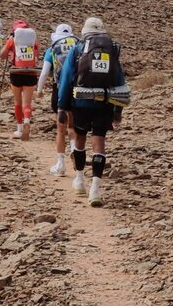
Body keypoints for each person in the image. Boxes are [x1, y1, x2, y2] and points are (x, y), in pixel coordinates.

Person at [57, 17, 126, 206]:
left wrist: (62, 106)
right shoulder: (111, 50)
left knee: (80, 139)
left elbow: (66, 78)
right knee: (99, 141)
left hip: (81, 102)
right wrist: (118, 109)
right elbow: (120, 80)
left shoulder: (78, 50)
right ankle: (95, 189)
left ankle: (79, 180)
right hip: (104, 102)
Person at [37, 24, 79, 175]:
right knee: (73, 126)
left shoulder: (52, 49)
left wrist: (39, 90)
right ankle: (75, 150)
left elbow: (44, 73)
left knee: (60, 128)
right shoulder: (78, 46)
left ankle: (60, 164)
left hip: (59, 88)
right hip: (77, 89)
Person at [0, 20, 40, 140]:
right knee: (27, 103)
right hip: (31, 72)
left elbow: (2, 56)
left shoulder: (13, 39)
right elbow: (36, 55)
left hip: (16, 72)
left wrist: (9, 43)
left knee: (17, 102)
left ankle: (19, 129)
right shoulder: (33, 40)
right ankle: (27, 120)